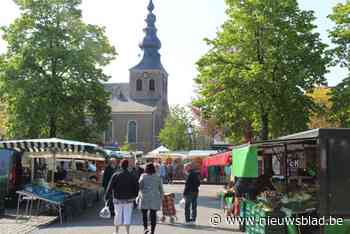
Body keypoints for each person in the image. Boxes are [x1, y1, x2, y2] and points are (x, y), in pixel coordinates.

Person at [105, 160, 139, 234]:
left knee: (117, 215)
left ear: (120, 165)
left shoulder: (116, 175)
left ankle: (116, 232)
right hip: (129, 199)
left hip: (117, 199)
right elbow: (136, 187)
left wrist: (106, 197)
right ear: (128, 166)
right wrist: (135, 196)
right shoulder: (132, 176)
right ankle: (127, 232)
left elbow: (110, 187)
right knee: (127, 216)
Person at [139, 163, 164, 234]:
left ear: (146, 169)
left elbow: (140, 186)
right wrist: (162, 197)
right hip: (155, 198)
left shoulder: (143, 176)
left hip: (145, 197)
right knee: (153, 215)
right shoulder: (158, 177)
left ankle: (145, 228)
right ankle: (152, 231)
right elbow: (161, 189)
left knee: (144, 214)